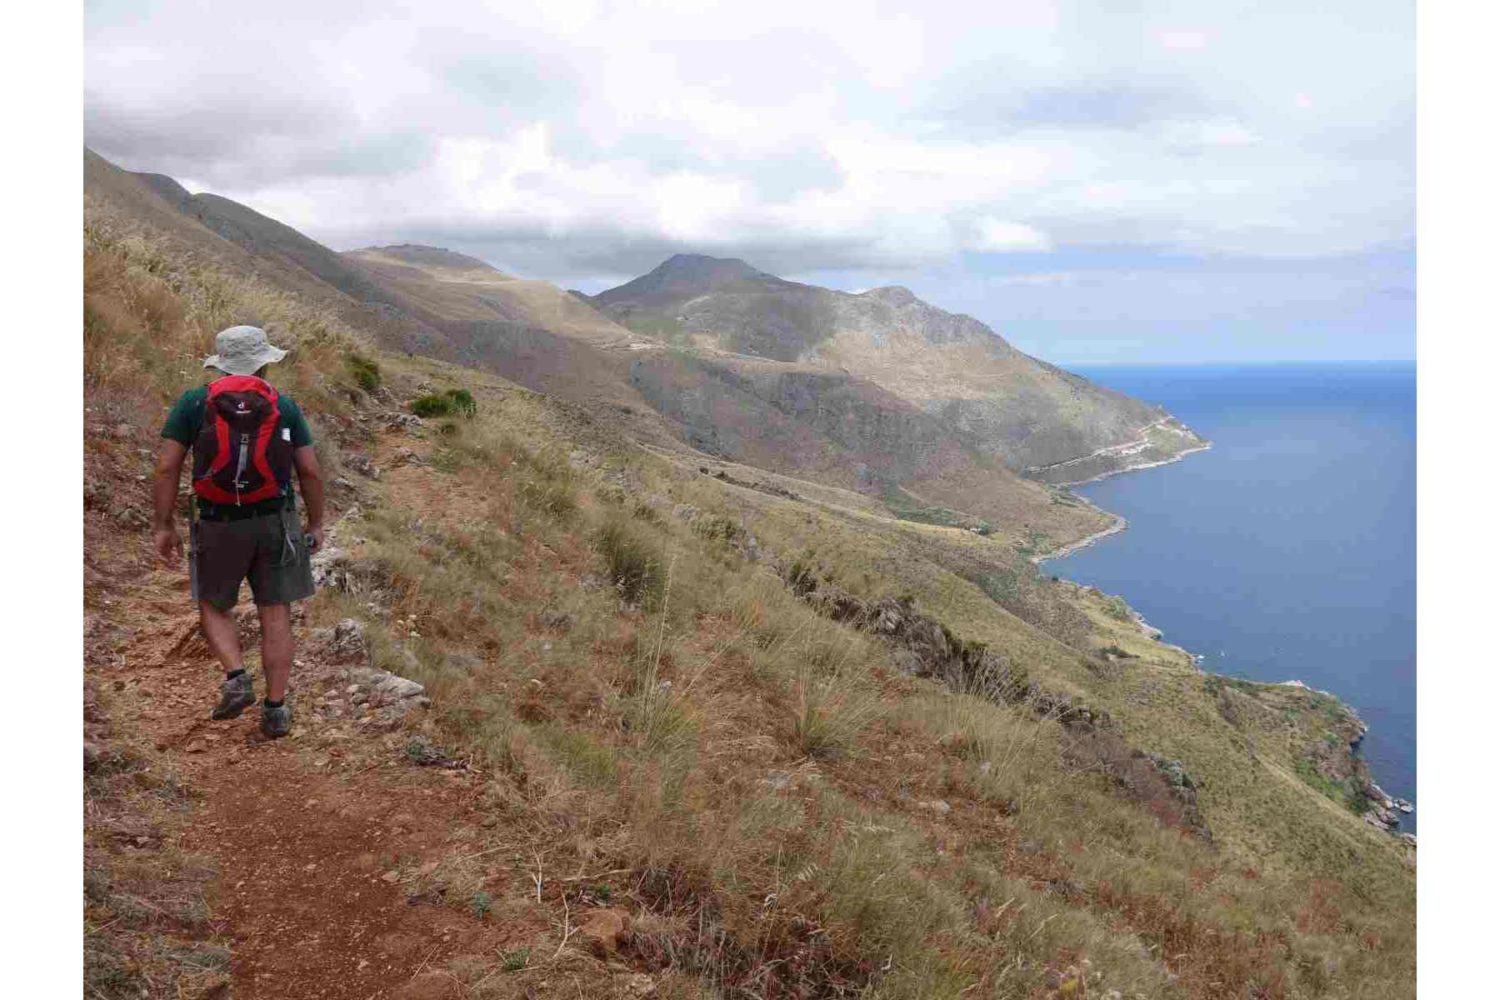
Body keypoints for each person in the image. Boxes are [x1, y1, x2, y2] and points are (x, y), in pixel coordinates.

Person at [150, 325, 326, 738]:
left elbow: (166, 467)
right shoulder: (284, 405)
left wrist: (163, 525)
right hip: (275, 522)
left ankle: (236, 676)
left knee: (213, 603)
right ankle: (276, 709)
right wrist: (315, 523)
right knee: (275, 611)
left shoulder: (194, 403)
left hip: (216, 521)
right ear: (265, 362)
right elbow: (311, 471)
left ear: (220, 362)